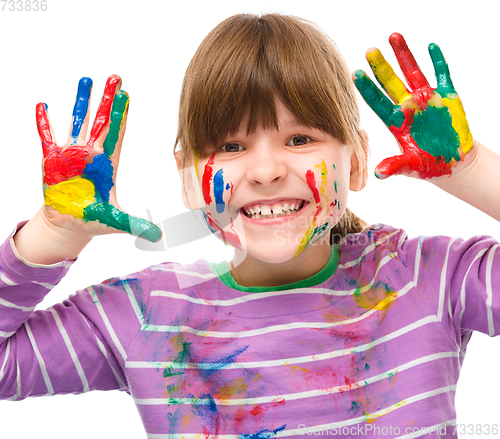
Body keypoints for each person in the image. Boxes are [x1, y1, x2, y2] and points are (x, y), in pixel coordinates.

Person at [1, 12, 499, 438]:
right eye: (233, 147)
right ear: (188, 180)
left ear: (356, 160)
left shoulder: (427, 279)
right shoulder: (147, 314)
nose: (265, 171)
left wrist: (472, 169)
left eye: (300, 138)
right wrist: (56, 232)